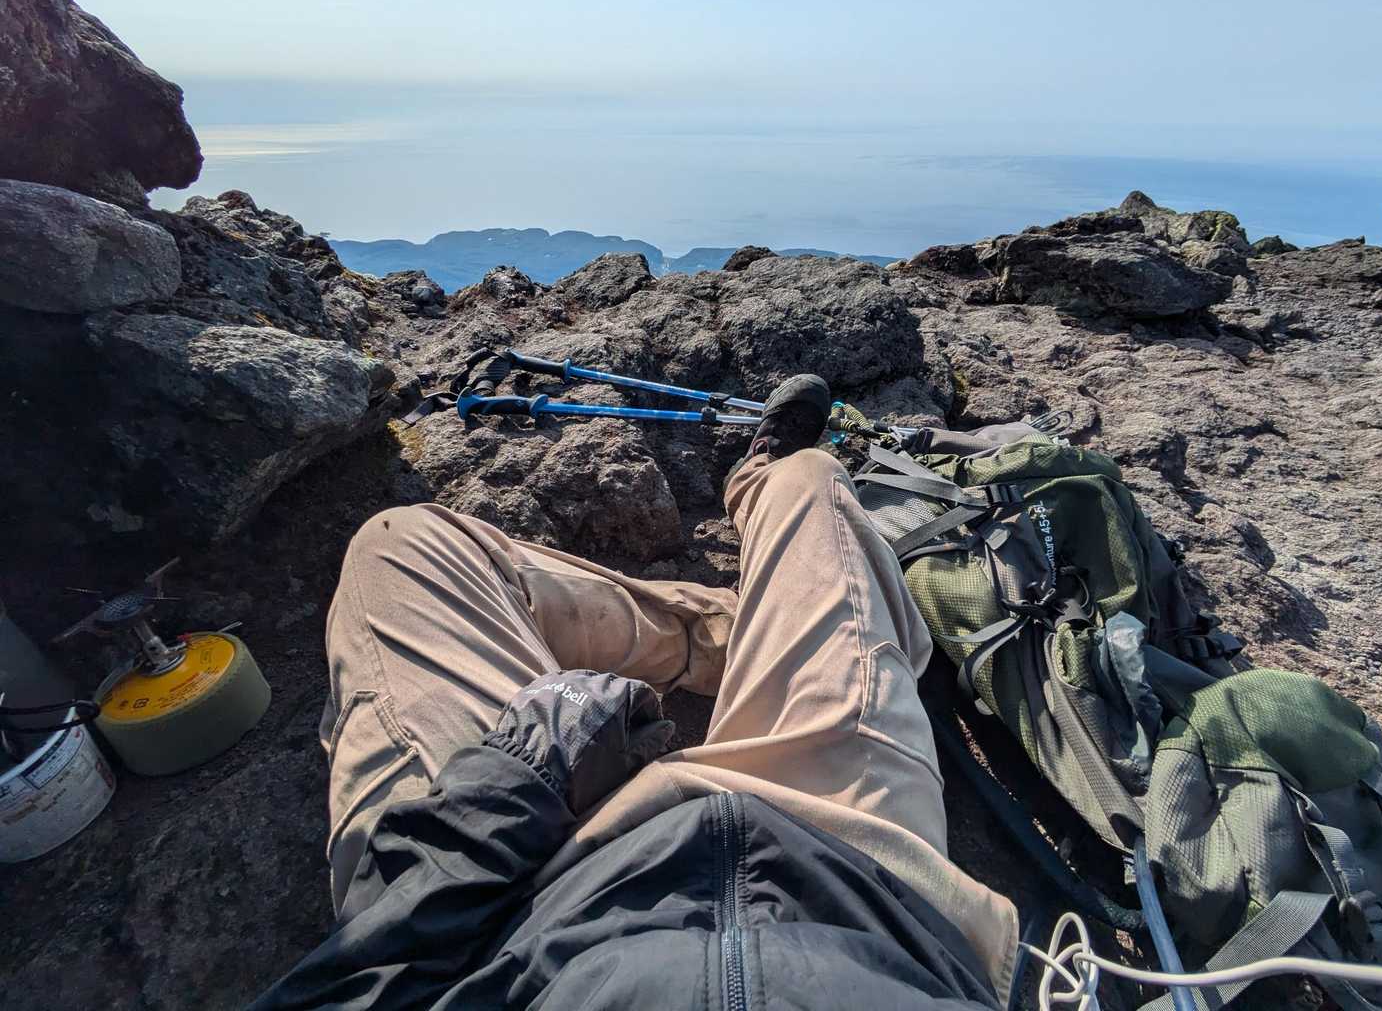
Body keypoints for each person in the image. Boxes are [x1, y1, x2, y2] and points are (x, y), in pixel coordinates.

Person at [252, 375, 1018, 1010]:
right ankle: (763, 571)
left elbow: (360, 979)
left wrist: (510, 784)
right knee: (811, 481)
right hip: (861, 868)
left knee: (405, 545)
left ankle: (748, 624)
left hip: (504, 911)